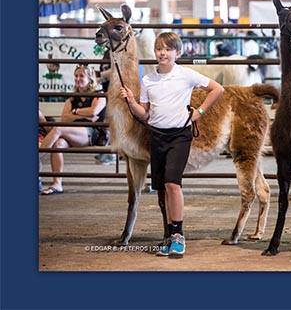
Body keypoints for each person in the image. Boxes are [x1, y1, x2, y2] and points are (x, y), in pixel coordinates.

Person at [120, 32, 224, 258]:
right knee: (162, 188)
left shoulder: (185, 75)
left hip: (180, 136)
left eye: (168, 49)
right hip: (156, 136)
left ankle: (178, 236)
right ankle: (168, 236)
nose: (162, 53)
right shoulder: (148, 80)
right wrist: (130, 101)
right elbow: (144, 114)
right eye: (159, 49)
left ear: (178, 53)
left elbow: (217, 89)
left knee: (173, 184)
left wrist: (200, 112)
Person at [39, 65, 107, 195]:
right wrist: (84, 114)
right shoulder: (72, 97)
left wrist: (75, 112)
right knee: (58, 144)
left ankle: (37, 157)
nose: (78, 78)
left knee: (58, 129)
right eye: (76, 76)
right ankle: (57, 183)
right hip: (73, 133)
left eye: (82, 76)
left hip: (91, 133)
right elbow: (65, 118)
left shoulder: (99, 95)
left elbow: (94, 112)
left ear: (90, 79)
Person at [94, 47, 116, 164]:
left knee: (115, 122)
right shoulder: (108, 51)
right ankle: (109, 150)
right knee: (109, 123)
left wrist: (99, 77)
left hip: (117, 90)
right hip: (107, 89)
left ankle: (113, 154)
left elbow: (118, 70)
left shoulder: (121, 49)